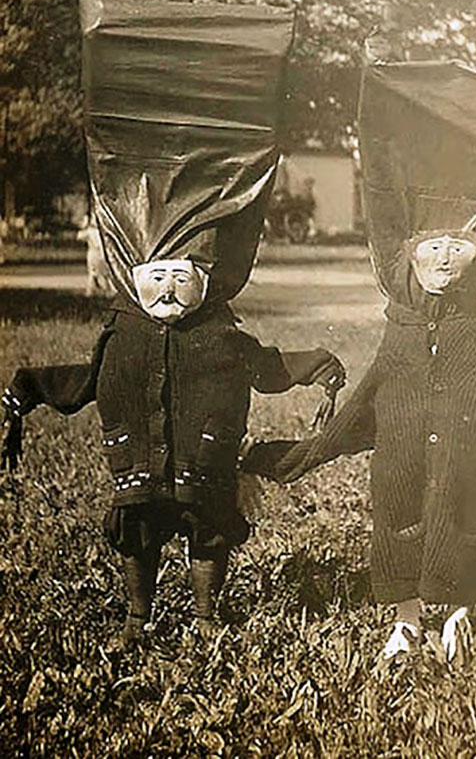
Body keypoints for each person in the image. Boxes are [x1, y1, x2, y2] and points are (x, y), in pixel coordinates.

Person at [242, 225, 476, 660]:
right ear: (410, 259)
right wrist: (271, 459)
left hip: (466, 466)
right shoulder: (400, 333)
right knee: (398, 526)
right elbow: (354, 414)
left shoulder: (474, 333)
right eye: (433, 248)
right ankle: (406, 621)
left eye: (457, 249)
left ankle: (458, 612)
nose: (444, 259)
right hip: (399, 464)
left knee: (466, 522)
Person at [1, 257, 346, 646]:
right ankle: (137, 618)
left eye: (181, 278)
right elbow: (88, 378)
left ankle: (205, 615)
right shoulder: (122, 336)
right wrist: (30, 387)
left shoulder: (222, 336)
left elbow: (268, 366)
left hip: (205, 464)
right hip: (139, 466)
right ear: (135, 281)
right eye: (158, 277)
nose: (167, 290)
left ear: (203, 283)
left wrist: (316, 366)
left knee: (209, 533)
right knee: (138, 533)